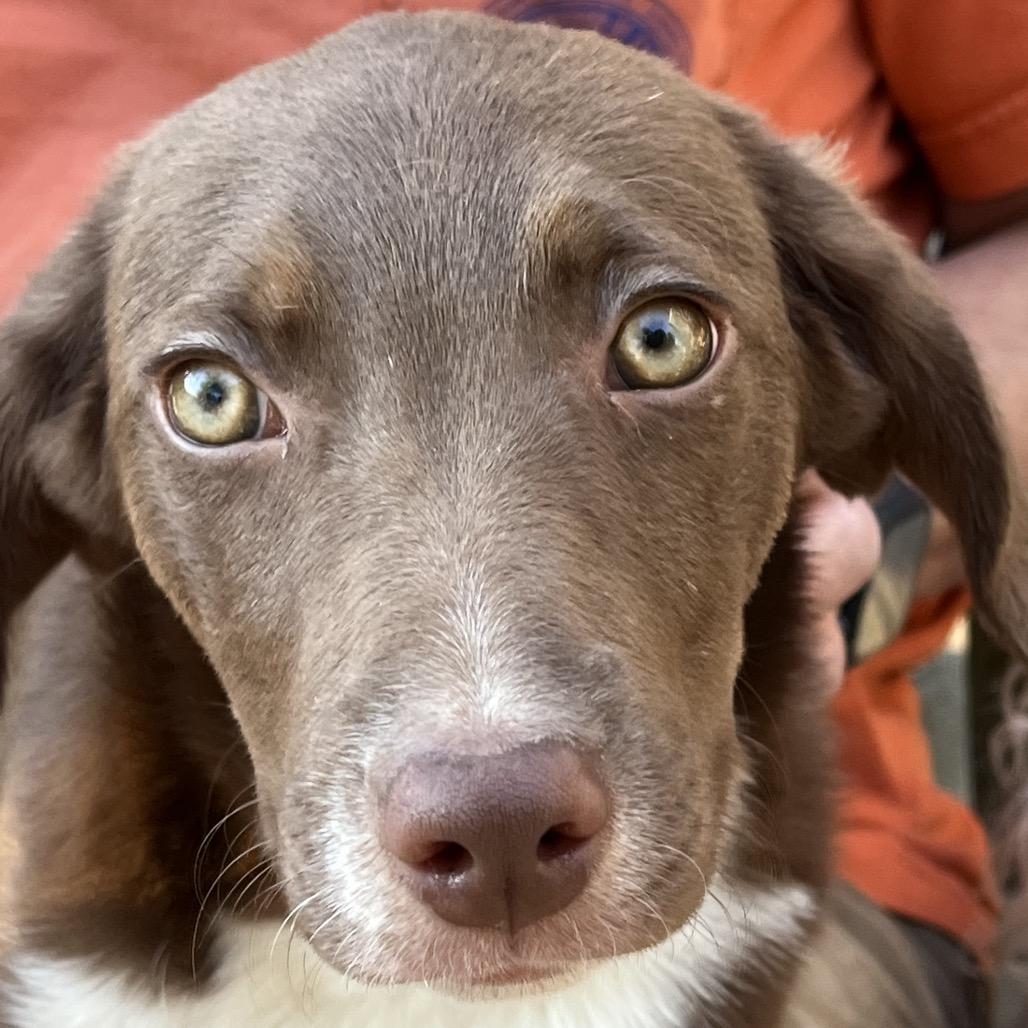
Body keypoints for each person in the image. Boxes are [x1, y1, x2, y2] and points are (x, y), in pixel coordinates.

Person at [2, 0, 1026, 1021]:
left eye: (655, 341)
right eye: (214, 399)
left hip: (812, 859)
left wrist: (870, 551)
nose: (482, 759)